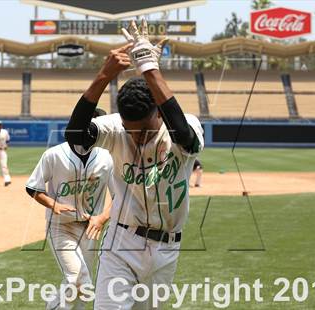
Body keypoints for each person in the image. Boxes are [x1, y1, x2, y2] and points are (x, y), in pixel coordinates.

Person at [64, 19, 204, 309]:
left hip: (167, 249)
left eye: (143, 129)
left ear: (158, 112)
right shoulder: (116, 127)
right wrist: (104, 75)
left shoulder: (184, 125)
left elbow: (186, 137)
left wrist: (149, 69)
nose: (136, 137)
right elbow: (76, 136)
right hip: (121, 243)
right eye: (130, 130)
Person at [26, 109, 113, 310]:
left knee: (84, 287)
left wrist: (102, 217)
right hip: (60, 227)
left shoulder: (106, 158)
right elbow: (33, 187)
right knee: (77, 278)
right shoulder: (54, 155)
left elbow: (119, 196)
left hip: (90, 229)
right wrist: (53, 205)